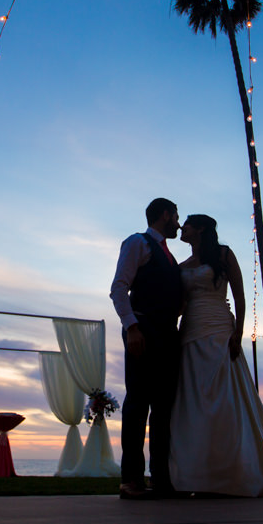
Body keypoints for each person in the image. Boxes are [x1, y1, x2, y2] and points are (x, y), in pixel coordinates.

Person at [168, 214, 263, 497]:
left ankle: (233, 474)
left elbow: (240, 296)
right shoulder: (182, 267)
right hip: (190, 331)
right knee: (194, 404)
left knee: (223, 400)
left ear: (201, 228)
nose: (182, 227)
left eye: (187, 224)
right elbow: (179, 305)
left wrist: (237, 333)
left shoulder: (224, 255)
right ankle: (198, 477)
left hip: (219, 330)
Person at [109, 197, 184, 499]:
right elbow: (118, 288)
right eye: (176, 216)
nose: (178, 222)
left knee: (164, 408)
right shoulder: (137, 243)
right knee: (138, 403)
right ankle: (131, 479)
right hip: (143, 330)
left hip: (168, 335)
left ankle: (162, 478)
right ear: (165, 214)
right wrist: (132, 327)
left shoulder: (170, 257)